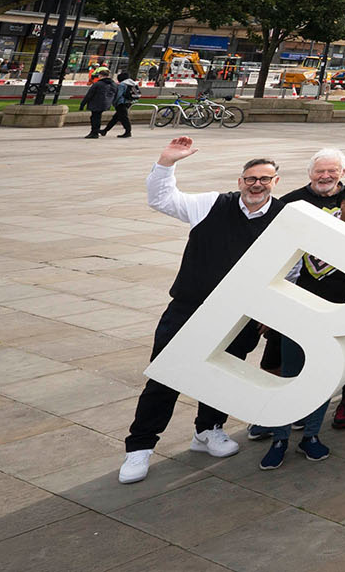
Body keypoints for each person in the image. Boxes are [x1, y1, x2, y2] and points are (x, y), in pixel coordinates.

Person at [118, 137, 284, 483]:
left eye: (264, 179)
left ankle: (208, 430)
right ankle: (140, 447)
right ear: (240, 181)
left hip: (242, 315)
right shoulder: (212, 204)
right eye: (251, 178)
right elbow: (162, 199)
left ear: (275, 182)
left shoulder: (284, 218)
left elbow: (290, 269)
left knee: (222, 374)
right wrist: (166, 163)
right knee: (165, 376)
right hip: (190, 306)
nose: (257, 185)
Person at [262, 183, 345, 469]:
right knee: (289, 377)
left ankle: (311, 436)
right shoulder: (315, 227)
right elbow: (287, 265)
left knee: (321, 379)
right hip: (298, 314)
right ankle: (279, 438)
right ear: (342, 202)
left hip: (336, 321)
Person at [82, 71, 117, 138]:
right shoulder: (113, 84)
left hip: (96, 103)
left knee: (95, 118)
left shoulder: (98, 84)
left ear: (100, 75)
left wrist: (83, 104)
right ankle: (95, 131)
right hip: (106, 103)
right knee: (97, 117)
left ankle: (94, 132)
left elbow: (89, 95)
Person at [107, 72, 139, 137]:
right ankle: (105, 130)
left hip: (121, 102)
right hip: (129, 102)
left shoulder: (122, 84)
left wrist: (114, 102)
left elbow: (119, 94)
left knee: (124, 118)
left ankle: (128, 131)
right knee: (116, 117)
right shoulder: (133, 83)